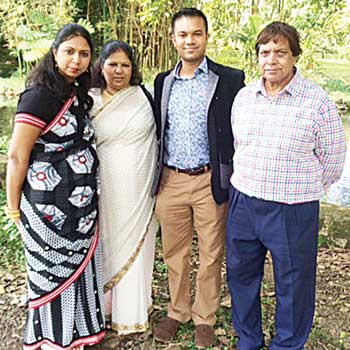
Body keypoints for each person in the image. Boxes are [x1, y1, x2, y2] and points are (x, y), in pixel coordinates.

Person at [226, 21, 347, 350]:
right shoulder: (244, 97)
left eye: (281, 52)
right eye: (265, 52)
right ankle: (249, 339)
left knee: (293, 284)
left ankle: (288, 344)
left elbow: (333, 161)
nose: (272, 60)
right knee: (241, 276)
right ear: (257, 57)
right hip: (244, 204)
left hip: (292, 209)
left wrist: (301, 187)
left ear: (295, 57)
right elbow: (240, 146)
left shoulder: (317, 102)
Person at [5, 24, 106, 350]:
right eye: (69, 52)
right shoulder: (39, 96)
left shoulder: (76, 93)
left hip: (81, 210)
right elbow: (18, 157)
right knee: (51, 275)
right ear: (55, 53)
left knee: (78, 273)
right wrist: (12, 207)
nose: (76, 60)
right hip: (47, 211)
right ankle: (51, 339)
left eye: (84, 54)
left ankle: (79, 334)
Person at [152, 8, 245, 348]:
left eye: (196, 33)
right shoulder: (163, 81)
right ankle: (177, 311)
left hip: (210, 181)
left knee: (210, 252)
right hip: (171, 180)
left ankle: (204, 316)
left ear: (206, 36)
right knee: (174, 252)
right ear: (173, 39)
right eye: (183, 34)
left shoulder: (230, 79)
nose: (189, 40)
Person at [89, 40, 158, 335]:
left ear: (134, 68)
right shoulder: (87, 99)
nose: (119, 71)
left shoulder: (146, 96)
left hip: (140, 190)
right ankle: (101, 310)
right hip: (102, 189)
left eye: (125, 65)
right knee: (103, 245)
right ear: (101, 66)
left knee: (139, 248)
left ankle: (132, 311)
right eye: (112, 64)